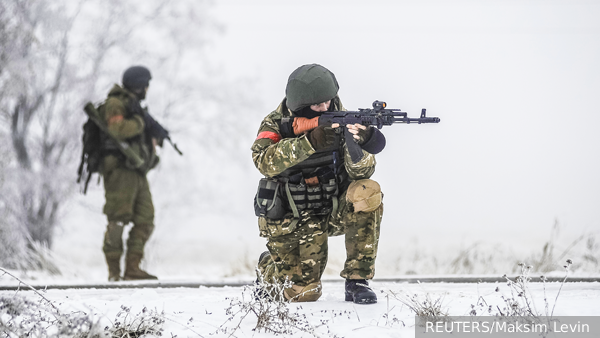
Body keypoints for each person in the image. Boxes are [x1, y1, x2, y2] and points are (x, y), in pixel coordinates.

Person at [252, 64, 386, 303]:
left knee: (368, 191)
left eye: (328, 101)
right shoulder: (275, 122)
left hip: (333, 209)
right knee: (304, 294)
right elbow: (263, 161)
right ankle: (269, 268)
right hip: (294, 218)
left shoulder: (342, 118)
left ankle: (357, 280)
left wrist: (359, 143)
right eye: (317, 105)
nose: (325, 107)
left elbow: (363, 172)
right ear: (300, 104)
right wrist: (309, 142)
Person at [99, 65, 160, 281]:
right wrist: (140, 123)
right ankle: (114, 273)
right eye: (145, 85)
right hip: (119, 169)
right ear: (138, 84)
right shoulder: (116, 103)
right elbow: (117, 130)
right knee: (118, 219)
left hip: (137, 171)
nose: (147, 89)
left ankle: (132, 269)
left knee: (146, 218)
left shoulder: (135, 107)